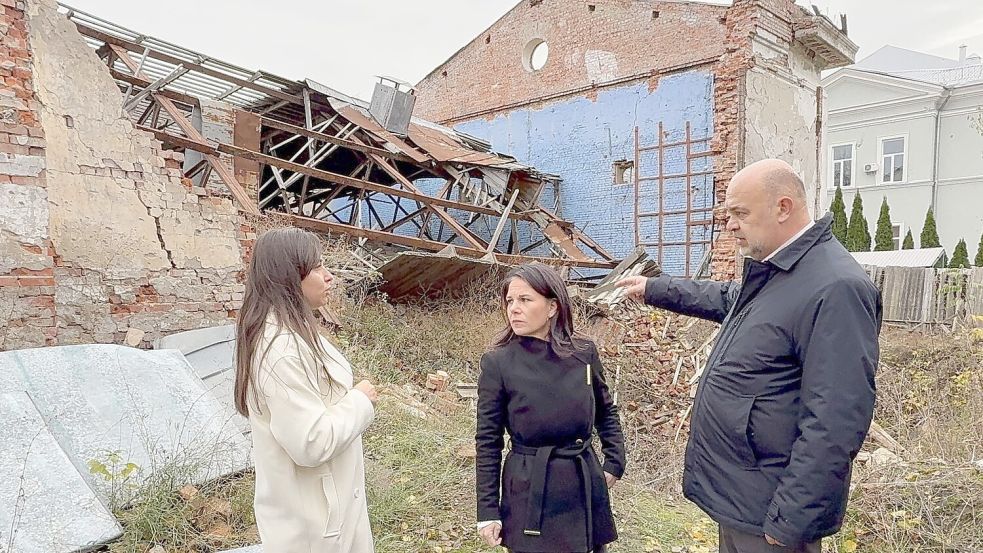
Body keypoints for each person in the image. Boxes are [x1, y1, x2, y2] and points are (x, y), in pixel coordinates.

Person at [617, 159, 882, 553]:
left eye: (740, 213)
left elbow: (836, 421)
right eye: (727, 215)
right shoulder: (780, 271)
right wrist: (654, 288)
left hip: (774, 517)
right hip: (746, 502)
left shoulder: (836, 287)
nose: (730, 225)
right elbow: (728, 298)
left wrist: (791, 520)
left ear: (783, 207)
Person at [233, 227, 379, 553]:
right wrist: (360, 401)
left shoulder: (292, 331)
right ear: (289, 275)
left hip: (326, 513)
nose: (328, 276)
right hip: (314, 529)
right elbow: (311, 442)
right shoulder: (280, 349)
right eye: (317, 267)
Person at [476, 263, 626, 553]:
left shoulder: (583, 352)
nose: (514, 308)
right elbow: (488, 441)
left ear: (553, 307)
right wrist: (487, 511)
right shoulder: (499, 363)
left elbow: (606, 410)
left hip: (582, 482)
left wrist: (615, 461)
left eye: (525, 300)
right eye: (509, 301)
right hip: (529, 487)